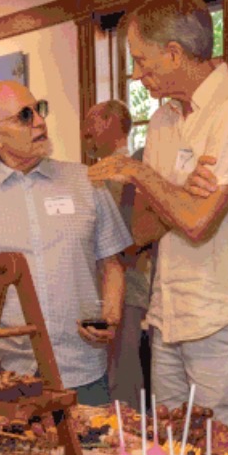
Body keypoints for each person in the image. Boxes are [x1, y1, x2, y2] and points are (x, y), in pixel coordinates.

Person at [88, 0, 228, 426]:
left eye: (141, 60)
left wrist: (144, 176)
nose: (136, 75)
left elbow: (195, 223)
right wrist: (180, 192)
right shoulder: (163, 120)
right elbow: (143, 229)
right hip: (167, 317)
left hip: (222, 319)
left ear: (174, 54)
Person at [0, 81, 130, 405]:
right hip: (6, 375)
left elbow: (112, 262)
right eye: (24, 116)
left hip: (81, 369)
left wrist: (111, 315)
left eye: (38, 110)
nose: (40, 122)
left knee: (95, 453)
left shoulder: (85, 181)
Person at [83, 99, 150, 410]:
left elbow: (133, 237)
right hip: (101, 291)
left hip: (126, 288)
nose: (86, 134)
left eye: (91, 126)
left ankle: (129, 441)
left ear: (110, 123)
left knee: (122, 376)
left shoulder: (131, 173)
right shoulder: (99, 175)